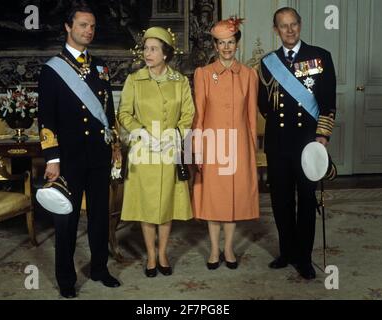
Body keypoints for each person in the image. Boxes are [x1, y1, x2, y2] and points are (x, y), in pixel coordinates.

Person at [38, 1, 121, 298]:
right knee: (67, 222)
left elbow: (108, 111)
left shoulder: (101, 66)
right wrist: (53, 159)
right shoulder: (52, 71)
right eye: (83, 25)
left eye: (92, 26)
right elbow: (46, 119)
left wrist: (113, 146)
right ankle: (66, 279)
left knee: (99, 216)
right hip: (69, 160)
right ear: (68, 27)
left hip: (98, 156)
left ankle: (100, 268)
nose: (89, 31)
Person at [258, 7, 336, 279]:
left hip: (308, 143)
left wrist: (322, 136)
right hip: (278, 144)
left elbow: (328, 102)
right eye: (283, 26)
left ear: (300, 26)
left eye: (293, 25)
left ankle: (303, 257)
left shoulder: (320, 57)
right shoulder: (268, 62)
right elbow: (263, 105)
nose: (289, 30)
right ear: (276, 29)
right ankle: (286, 251)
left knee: (305, 199)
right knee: (280, 201)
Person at [117, 27, 195, 278]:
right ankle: (151, 254)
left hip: (169, 149)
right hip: (144, 151)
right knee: (147, 204)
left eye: (153, 49)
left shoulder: (180, 81)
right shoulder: (134, 80)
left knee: (165, 204)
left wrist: (175, 135)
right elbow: (124, 113)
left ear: (165, 53)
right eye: (146, 48)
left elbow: (188, 114)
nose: (147, 53)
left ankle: (163, 253)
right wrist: (141, 132)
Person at [191, 17, 260, 270]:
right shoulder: (203, 74)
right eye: (221, 43)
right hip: (213, 144)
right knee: (214, 197)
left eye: (230, 42)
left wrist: (251, 149)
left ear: (237, 44)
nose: (226, 48)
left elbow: (251, 116)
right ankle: (213, 249)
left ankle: (229, 248)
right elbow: (198, 114)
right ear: (215, 46)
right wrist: (197, 148)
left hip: (239, 145)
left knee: (232, 198)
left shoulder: (250, 75)